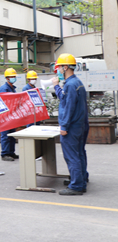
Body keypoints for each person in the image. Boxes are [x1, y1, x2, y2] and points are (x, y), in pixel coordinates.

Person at [53, 53, 88, 195]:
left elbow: (69, 108)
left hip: (72, 127)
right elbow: (64, 99)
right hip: (80, 125)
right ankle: (80, 178)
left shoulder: (71, 84)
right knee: (79, 153)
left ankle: (77, 186)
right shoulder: (75, 83)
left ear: (66, 67)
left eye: (60, 67)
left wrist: (64, 127)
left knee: (71, 156)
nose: (58, 70)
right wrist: (56, 86)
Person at [0, 68, 19, 161]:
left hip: (11, 115)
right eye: (12, 76)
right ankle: (5, 153)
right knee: (5, 135)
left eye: (14, 76)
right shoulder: (4, 89)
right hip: (5, 115)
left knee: (11, 134)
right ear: (7, 78)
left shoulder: (12, 88)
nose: (13, 78)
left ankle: (11, 152)